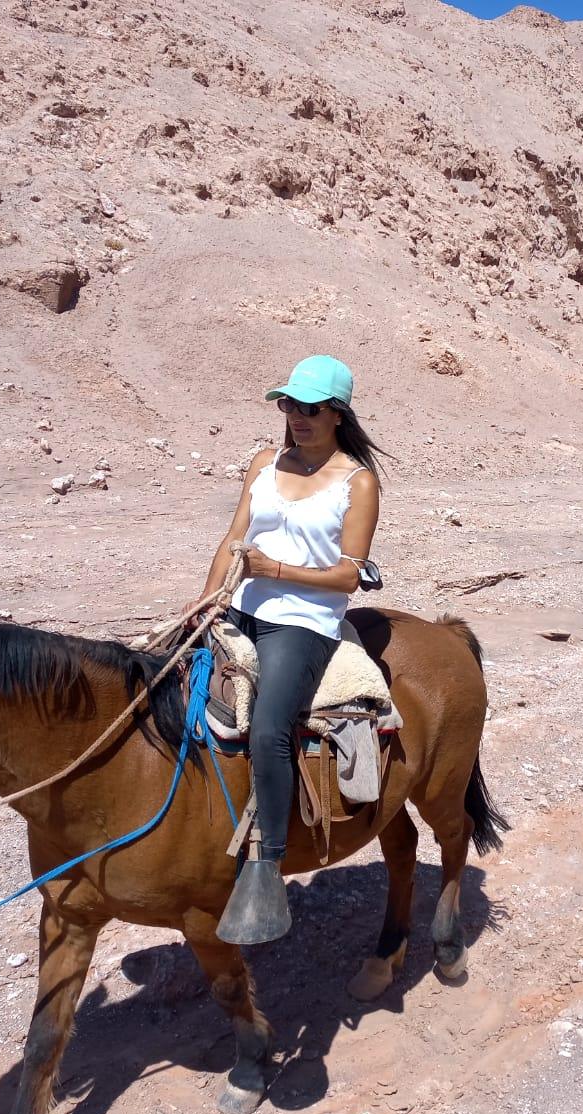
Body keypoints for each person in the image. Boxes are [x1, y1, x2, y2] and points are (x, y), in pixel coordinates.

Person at [197, 355, 384, 944]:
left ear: (337, 415)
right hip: (240, 608)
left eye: (310, 409)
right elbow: (233, 541)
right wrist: (205, 602)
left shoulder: (357, 481)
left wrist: (273, 567)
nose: (296, 418)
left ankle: (265, 864)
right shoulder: (263, 463)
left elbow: (349, 576)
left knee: (269, 729)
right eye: (289, 406)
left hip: (301, 624)